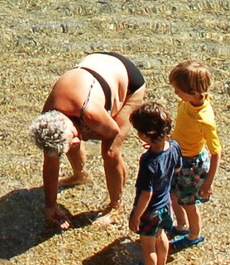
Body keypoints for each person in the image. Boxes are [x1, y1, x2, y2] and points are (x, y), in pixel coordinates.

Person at [27, 53, 147, 230]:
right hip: (96, 69)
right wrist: (50, 206)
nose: (77, 141)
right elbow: (51, 164)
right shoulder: (49, 120)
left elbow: (112, 131)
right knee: (68, 143)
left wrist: (86, 134)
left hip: (129, 81)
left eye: (73, 136)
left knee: (110, 152)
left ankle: (116, 205)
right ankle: (79, 176)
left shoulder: (89, 112)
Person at [123, 103, 181, 265]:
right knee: (161, 235)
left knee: (148, 247)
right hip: (165, 205)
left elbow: (146, 193)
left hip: (150, 211)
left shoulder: (148, 162)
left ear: (146, 135)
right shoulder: (174, 146)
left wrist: (136, 216)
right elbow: (177, 168)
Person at [167, 59, 222, 249]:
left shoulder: (204, 119)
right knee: (173, 194)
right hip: (178, 155)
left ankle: (194, 234)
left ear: (195, 93)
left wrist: (208, 182)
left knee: (189, 203)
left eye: (178, 91)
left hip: (191, 164)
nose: (176, 94)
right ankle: (181, 226)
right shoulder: (187, 101)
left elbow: (216, 152)